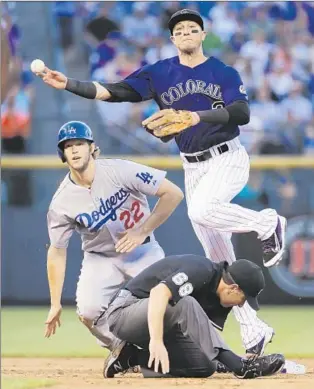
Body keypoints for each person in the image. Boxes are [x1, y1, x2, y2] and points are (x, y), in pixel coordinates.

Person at [38, 9, 287, 355]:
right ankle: (252, 330)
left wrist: (195, 115)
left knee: (201, 211)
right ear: (172, 39)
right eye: (179, 29)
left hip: (227, 156)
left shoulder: (222, 72)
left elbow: (242, 113)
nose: (185, 32)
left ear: (202, 35)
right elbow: (115, 91)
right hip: (193, 165)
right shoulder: (160, 73)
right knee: (220, 259)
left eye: (192, 28)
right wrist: (68, 84)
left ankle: (268, 223)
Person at [44, 121, 184, 359]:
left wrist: (142, 230)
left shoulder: (120, 170)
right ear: (63, 154)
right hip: (101, 258)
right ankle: (124, 351)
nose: (75, 150)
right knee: (88, 312)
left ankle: (197, 351)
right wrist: (55, 303)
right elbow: (57, 251)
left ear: (92, 148)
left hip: (142, 250)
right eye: (68, 146)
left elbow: (173, 193)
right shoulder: (61, 202)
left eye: (80, 143)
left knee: (176, 301)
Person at [101, 254, 285, 379]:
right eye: (243, 298)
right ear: (234, 288)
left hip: (156, 321)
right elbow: (158, 293)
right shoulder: (201, 270)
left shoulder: (217, 293)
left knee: (205, 366)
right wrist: (156, 340)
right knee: (184, 302)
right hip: (124, 312)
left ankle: (132, 356)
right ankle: (241, 367)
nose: (241, 304)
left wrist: (214, 359)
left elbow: (199, 333)